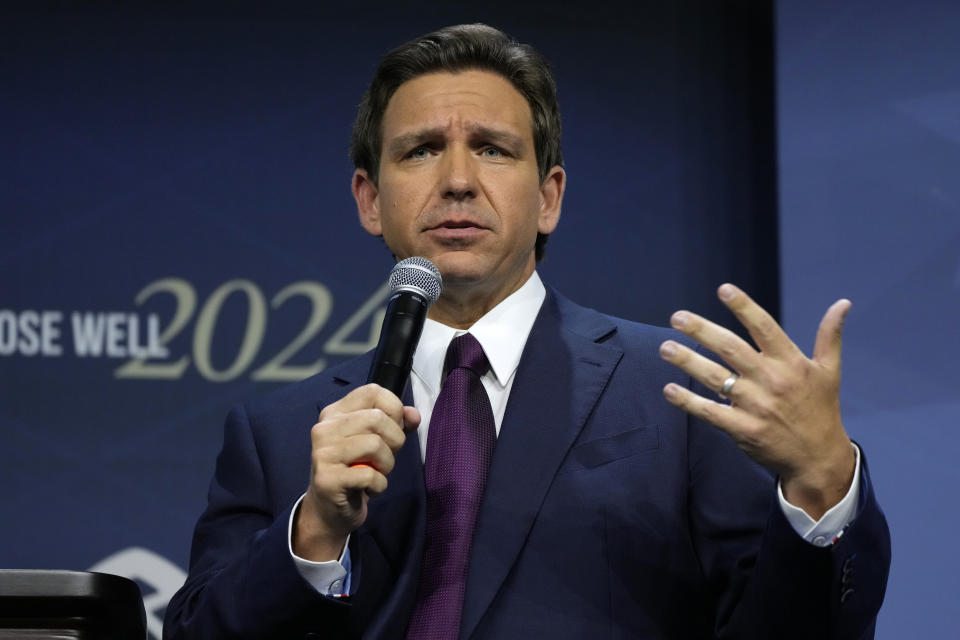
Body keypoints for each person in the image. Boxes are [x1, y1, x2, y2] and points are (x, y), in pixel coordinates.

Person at [164, 24, 889, 639]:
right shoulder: (278, 433)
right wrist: (315, 533)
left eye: (492, 148)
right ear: (368, 199)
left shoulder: (675, 398)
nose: (456, 180)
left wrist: (823, 481)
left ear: (548, 197)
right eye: (419, 150)